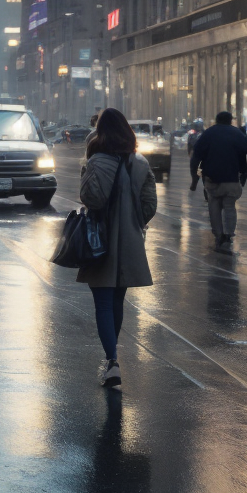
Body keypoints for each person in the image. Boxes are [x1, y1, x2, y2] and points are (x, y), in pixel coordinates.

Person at [78, 108, 158, 390]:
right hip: (129, 242)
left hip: (99, 241)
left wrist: (87, 170)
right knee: (117, 301)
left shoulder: (97, 161)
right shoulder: (140, 163)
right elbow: (150, 205)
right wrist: (133, 225)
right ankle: (113, 356)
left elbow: (90, 199)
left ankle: (111, 361)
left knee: (102, 303)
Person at [189, 111, 247, 253]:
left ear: (216, 120)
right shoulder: (238, 134)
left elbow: (196, 157)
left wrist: (194, 178)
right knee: (230, 206)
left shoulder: (208, 134)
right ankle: (228, 235)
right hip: (232, 178)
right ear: (230, 120)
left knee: (214, 206)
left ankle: (218, 235)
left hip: (212, 179)